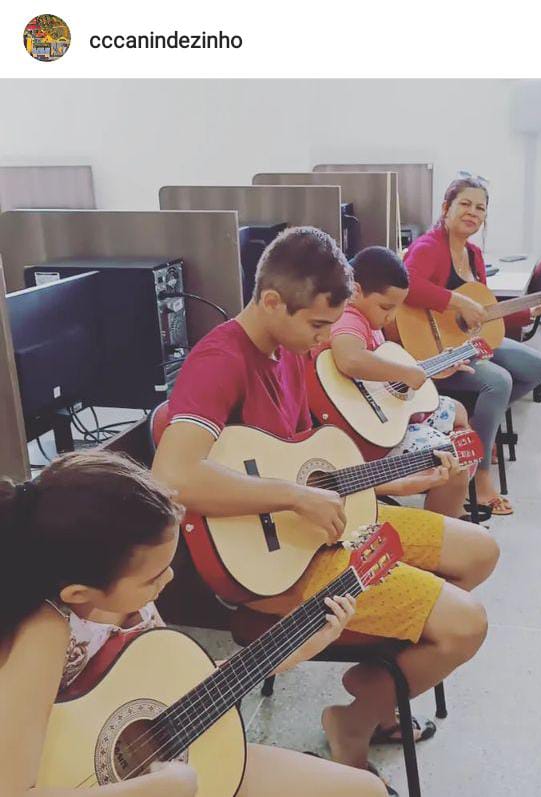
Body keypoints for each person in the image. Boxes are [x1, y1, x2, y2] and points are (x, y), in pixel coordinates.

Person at [152, 227, 499, 786]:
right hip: (277, 562)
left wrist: (394, 482)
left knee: (479, 551)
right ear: (271, 301)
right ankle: (356, 720)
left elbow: (309, 462)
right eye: (317, 325)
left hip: (320, 526)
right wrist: (294, 495)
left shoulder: (289, 351)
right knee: (466, 626)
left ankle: (378, 681)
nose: (324, 339)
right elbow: (172, 477)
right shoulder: (219, 360)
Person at [0, 450, 385, 797]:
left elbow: (175, 688)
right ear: (78, 593)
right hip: (144, 785)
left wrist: (292, 652)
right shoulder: (43, 633)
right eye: (153, 578)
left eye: (168, 566)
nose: (167, 580)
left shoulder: (118, 594)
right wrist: (159, 788)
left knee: (365, 790)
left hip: (165, 764)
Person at [404, 176, 541, 515]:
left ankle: (478, 432)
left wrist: (533, 310)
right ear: (446, 208)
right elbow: (406, 285)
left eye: (480, 208)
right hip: (434, 352)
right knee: (498, 381)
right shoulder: (429, 247)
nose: (472, 212)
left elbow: (486, 314)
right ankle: (479, 474)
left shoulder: (474, 254)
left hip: (467, 343)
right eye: (465, 204)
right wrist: (456, 301)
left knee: (537, 367)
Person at [320, 245, 475, 519]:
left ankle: (452, 504)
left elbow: (385, 377)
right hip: (368, 432)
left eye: (396, 308)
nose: (390, 317)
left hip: (387, 412)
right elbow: (350, 359)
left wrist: (434, 366)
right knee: (456, 462)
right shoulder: (350, 317)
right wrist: (405, 373)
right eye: (385, 307)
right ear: (355, 291)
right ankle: (446, 526)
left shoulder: (371, 324)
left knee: (460, 414)